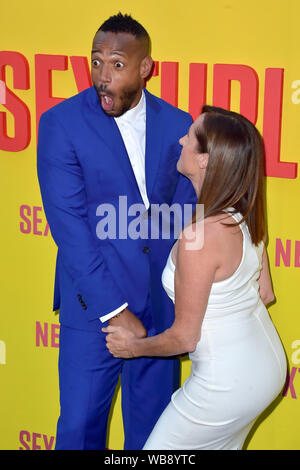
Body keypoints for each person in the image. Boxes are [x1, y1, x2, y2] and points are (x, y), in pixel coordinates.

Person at [37, 13, 196, 450]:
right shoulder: (60, 124)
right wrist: (112, 310)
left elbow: (183, 215)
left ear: (146, 68)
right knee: (80, 432)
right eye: (96, 62)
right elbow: (70, 231)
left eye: (117, 64)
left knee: (156, 437)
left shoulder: (179, 123)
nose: (103, 77)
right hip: (96, 313)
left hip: (162, 308)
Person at [104, 106, 287, 450]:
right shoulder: (245, 211)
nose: (180, 140)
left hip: (227, 382)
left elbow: (185, 338)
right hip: (266, 367)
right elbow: (264, 293)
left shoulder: (200, 238)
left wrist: (132, 348)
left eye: (190, 137)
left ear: (204, 159)